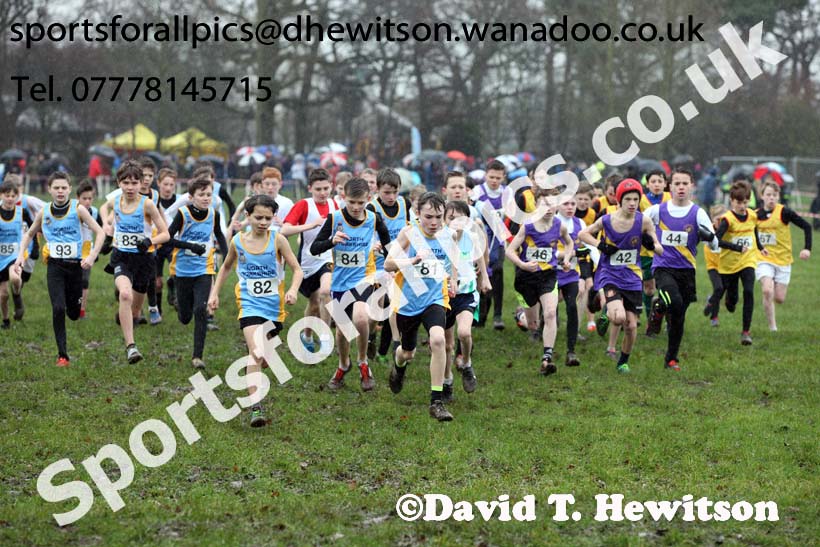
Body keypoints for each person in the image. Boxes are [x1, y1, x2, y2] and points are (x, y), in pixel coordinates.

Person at [208, 195, 302, 427]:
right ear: (247, 216)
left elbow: (297, 269)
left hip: (274, 307)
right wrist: (214, 293)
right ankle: (255, 406)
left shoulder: (278, 240)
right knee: (257, 353)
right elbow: (227, 267)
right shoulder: (238, 241)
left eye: (268, 218)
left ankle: (267, 359)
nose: (263, 222)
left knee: (264, 356)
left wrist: (292, 290)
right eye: (258, 217)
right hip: (249, 303)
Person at [643, 169, 739, 371]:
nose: (680, 187)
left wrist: (709, 236)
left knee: (679, 316)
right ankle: (659, 310)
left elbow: (714, 244)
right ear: (670, 186)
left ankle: (671, 359)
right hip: (663, 267)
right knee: (674, 301)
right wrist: (646, 239)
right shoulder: (657, 211)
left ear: (691, 186)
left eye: (685, 183)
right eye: (676, 183)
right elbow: (638, 226)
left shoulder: (698, 213)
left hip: (686, 270)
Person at [13, 172, 105, 366]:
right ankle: (62, 355)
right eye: (56, 188)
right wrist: (21, 255)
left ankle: (75, 310)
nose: (60, 191)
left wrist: (91, 256)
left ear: (70, 189)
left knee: (72, 313)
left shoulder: (78, 209)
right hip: (54, 267)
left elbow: (100, 232)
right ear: (50, 190)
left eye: (64, 187)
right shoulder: (44, 211)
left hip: (75, 267)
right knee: (57, 308)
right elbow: (28, 234)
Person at [310, 178, 391, 391]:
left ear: (369, 199)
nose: (356, 207)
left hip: (364, 277)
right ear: (344, 198)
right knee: (343, 331)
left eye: (360, 203)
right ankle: (343, 365)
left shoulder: (374, 218)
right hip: (339, 281)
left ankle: (363, 362)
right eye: (352, 202)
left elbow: (388, 242)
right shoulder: (335, 218)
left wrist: (386, 254)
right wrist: (331, 241)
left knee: (361, 318)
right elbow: (314, 248)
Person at [385, 192, 458, 421]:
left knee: (438, 339)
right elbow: (388, 263)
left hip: (434, 298)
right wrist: (412, 261)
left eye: (438, 216)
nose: (434, 222)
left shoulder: (448, 235)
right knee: (408, 352)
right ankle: (398, 366)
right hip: (408, 301)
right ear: (418, 214)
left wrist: (453, 279)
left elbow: (452, 258)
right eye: (428, 217)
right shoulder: (409, 233)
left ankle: (436, 401)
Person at [578, 179, 662, 373]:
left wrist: (651, 245)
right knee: (619, 318)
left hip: (632, 277)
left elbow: (660, 250)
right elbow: (583, 234)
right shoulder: (607, 220)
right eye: (628, 199)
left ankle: (623, 361)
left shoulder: (644, 221)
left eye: (635, 199)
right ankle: (607, 313)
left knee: (632, 327)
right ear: (619, 200)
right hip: (610, 275)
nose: (632, 203)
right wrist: (600, 245)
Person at [101, 160, 170, 363]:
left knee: (135, 310)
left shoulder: (147, 204)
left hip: (144, 260)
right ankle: (131, 347)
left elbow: (165, 234)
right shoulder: (115, 200)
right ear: (118, 183)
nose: (130, 187)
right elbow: (105, 210)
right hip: (121, 256)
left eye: (134, 183)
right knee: (124, 293)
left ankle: (126, 316)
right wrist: (107, 224)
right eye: (125, 183)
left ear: (141, 184)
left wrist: (150, 240)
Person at [506, 187, 574, 374]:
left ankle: (547, 357)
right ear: (536, 205)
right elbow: (510, 250)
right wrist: (523, 264)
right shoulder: (527, 226)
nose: (549, 208)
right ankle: (520, 316)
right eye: (545, 204)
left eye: (552, 204)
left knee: (551, 314)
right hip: (526, 277)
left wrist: (566, 259)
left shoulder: (559, 225)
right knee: (533, 324)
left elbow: (569, 243)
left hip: (548, 276)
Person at [167, 177, 229, 369]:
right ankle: (176, 296)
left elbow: (219, 234)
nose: (205, 198)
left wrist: (227, 255)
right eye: (201, 195)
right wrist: (190, 246)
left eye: (209, 194)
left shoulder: (214, 214)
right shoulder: (183, 214)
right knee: (185, 317)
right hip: (182, 270)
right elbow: (167, 239)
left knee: (200, 310)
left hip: (204, 269)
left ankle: (197, 356)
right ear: (191, 197)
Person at [281, 168, 337, 354]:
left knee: (326, 292)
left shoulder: (334, 205)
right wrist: (311, 225)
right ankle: (306, 335)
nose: (322, 193)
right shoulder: (303, 205)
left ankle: (325, 336)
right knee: (313, 304)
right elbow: (285, 230)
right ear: (310, 188)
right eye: (318, 189)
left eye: (326, 188)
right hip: (306, 261)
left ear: (332, 187)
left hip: (326, 258)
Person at [705, 180, 766, 345]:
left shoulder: (752, 215)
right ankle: (723, 300)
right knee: (732, 303)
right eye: (739, 202)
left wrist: (760, 247)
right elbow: (716, 241)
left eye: (745, 202)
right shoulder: (727, 219)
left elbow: (754, 229)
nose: (742, 206)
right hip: (729, 265)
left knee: (749, 291)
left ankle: (746, 332)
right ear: (731, 200)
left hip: (748, 261)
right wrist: (736, 247)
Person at [443, 200, 490, 398]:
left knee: (464, 332)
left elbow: (480, 257)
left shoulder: (471, 237)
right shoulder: (439, 239)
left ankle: (467, 363)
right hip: (444, 295)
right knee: (446, 344)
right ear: (444, 220)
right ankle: (447, 381)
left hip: (467, 293)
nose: (455, 222)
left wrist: (485, 277)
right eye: (451, 218)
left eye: (460, 219)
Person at [366, 168, 411, 364]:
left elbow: (411, 229)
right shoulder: (371, 208)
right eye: (386, 192)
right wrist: (372, 245)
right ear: (377, 189)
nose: (392, 196)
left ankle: (392, 346)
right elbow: (363, 234)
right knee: (377, 311)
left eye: (395, 191)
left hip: (400, 262)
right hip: (378, 264)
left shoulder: (405, 203)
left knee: (394, 303)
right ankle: (370, 338)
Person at [754, 181, 812, 331]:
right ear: (762, 196)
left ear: (778, 196)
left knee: (779, 298)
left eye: (774, 195)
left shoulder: (784, 212)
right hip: (763, 259)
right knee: (767, 290)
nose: (771, 198)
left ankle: (770, 292)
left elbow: (807, 226)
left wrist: (807, 248)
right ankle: (773, 327)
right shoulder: (755, 215)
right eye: (768, 195)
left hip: (783, 260)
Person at [472, 160, 510, 330]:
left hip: (498, 238)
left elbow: (511, 216)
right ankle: (481, 316)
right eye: (491, 177)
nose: (494, 180)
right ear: (485, 175)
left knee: (498, 273)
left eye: (498, 177)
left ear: (503, 177)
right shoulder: (477, 192)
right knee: (481, 274)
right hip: (480, 238)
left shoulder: (506, 192)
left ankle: (498, 315)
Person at [556, 194, 587, 366]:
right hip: (551, 272)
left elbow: (586, 250)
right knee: (550, 310)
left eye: (573, 204)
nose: (570, 207)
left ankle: (571, 350)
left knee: (572, 306)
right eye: (566, 204)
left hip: (572, 274)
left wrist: (585, 276)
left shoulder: (580, 224)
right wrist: (565, 255)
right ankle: (543, 335)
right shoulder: (552, 221)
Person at [639, 170, 671, 326]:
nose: (657, 184)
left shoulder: (670, 199)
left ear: (665, 184)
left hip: (667, 250)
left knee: (667, 287)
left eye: (660, 181)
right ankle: (650, 319)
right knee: (649, 288)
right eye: (653, 181)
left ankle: (668, 319)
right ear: (647, 184)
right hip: (647, 251)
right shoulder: (641, 201)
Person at [0, 181, 32, 328]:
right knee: (3, 295)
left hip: (15, 255)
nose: (10, 198)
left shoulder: (21, 212)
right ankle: (6, 320)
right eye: (7, 195)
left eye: (13, 195)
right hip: (0, 256)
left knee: (15, 277)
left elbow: (32, 229)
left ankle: (17, 294)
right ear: (2, 195)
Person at [76, 179, 102, 319]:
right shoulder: (72, 212)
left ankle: (82, 310)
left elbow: (102, 231)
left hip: (88, 252)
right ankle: (72, 305)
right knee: (72, 282)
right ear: (77, 198)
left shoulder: (95, 212)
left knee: (84, 282)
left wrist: (97, 251)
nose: (87, 201)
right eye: (84, 198)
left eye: (90, 198)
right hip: (72, 251)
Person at [574, 182, 598, 333]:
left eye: (586, 200)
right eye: (580, 199)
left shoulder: (594, 215)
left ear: (591, 200)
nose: (582, 202)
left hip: (588, 256)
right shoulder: (568, 211)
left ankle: (589, 320)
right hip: (570, 256)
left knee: (587, 288)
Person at [703, 205, 727, 327]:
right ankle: (714, 317)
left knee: (721, 291)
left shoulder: (728, 230)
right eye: (718, 219)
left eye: (723, 220)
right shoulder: (708, 231)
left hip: (725, 266)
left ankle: (710, 301)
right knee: (718, 288)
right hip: (712, 266)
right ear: (712, 219)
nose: (720, 222)